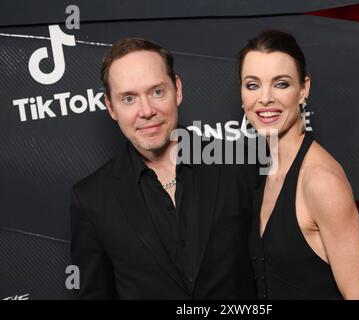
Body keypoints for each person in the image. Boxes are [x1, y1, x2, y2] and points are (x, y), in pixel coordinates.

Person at [70, 38, 258, 299]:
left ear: (177, 90)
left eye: (157, 92)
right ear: (111, 107)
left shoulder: (238, 163)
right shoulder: (91, 198)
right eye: (128, 99)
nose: (146, 111)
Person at [239, 30, 359, 300]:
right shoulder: (264, 173)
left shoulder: (320, 181)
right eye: (253, 85)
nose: (265, 98)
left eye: (281, 84)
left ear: (304, 89)